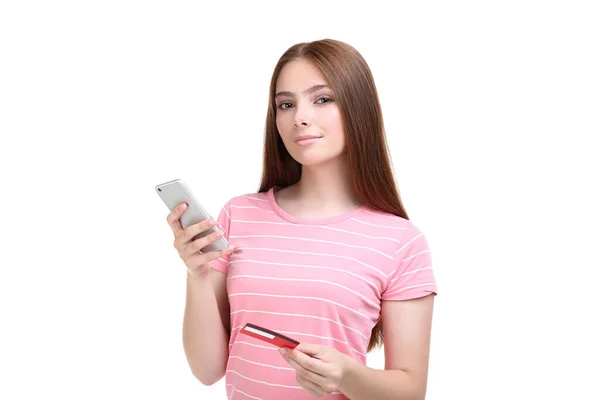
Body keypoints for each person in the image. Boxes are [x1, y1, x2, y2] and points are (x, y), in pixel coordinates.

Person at [166, 38, 438, 400]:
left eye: (322, 99)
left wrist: (346, 375)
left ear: (359, 108)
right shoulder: (239, 214)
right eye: (286, 104)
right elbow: (207, 370)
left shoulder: (401, 241)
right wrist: (197, 275)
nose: (300, 117)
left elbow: (410, 391)